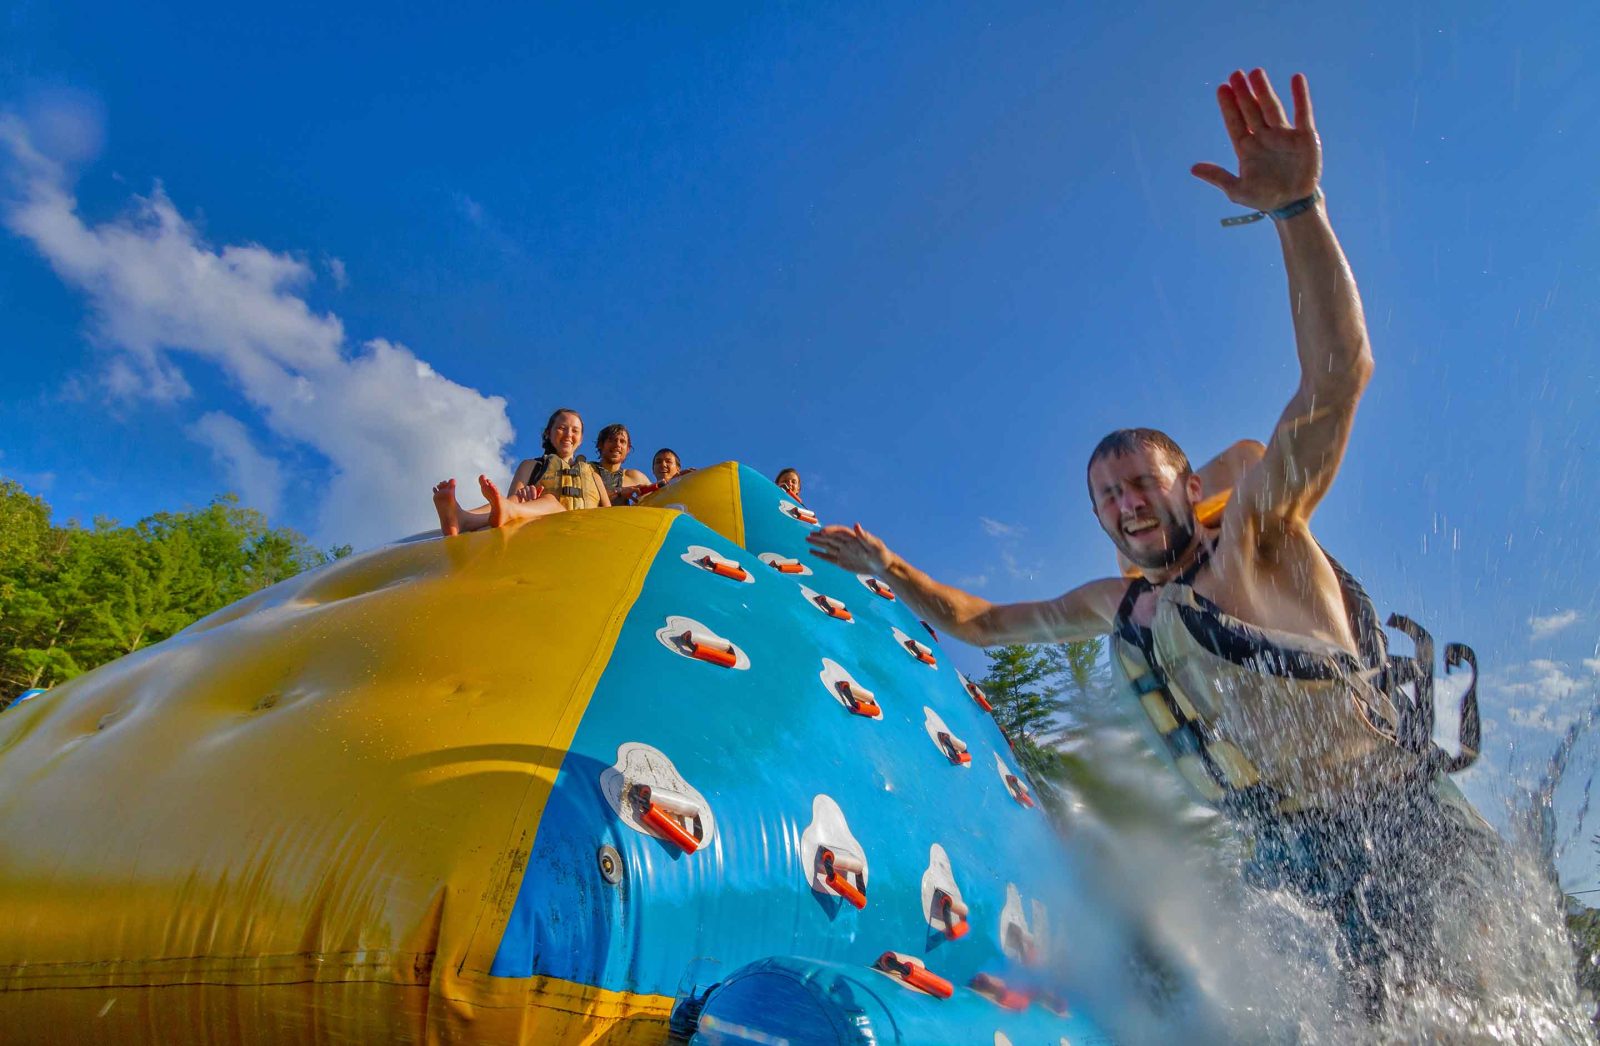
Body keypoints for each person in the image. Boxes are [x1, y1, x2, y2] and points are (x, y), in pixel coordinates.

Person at [808, 69, 1496, 1017]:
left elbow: (1339, 374)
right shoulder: (1122, 604)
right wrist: (889, 567)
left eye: (1142, 481)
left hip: (1395, 816)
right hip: (1291, 852)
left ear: (1191, 485)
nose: (1126, 503)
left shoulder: (1259, 535)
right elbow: (980, 623)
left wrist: (1297, 207)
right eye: (1107, 496)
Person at [430, 407, 609, 537]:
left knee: (547, 502)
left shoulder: (593, 474)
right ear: (548, 432)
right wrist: (526, 497)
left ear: (581, 438)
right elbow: (510, 501)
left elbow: (610, 513)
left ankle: (466, 520)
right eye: (562, 428)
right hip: (540, 527)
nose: (568, 434)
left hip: (583, 533)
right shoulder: (531, 465)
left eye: (575, 430)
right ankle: (461, 517)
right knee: (510, 503)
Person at [592, 423, 654, 504]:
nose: (617, 444)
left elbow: (660, 495)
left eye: (622, 441)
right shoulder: (588, 470)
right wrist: (619, 491)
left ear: (628, 449)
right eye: (612, 440)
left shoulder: (635, 477)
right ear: (600, 444)